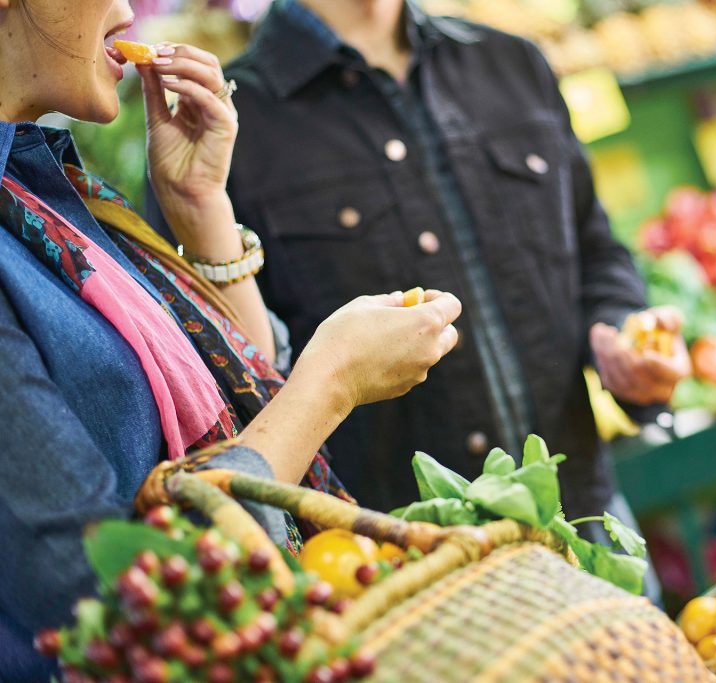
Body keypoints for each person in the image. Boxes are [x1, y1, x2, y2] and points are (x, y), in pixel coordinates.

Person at [0, 1, 461, 679]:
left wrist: (199, 205)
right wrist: (329, 383)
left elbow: (244, 388)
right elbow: (119, 592)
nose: (128, 10)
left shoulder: (40, 189)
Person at [181, 0, 691, 544]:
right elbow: (222, 381)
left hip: (587, 522)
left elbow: (595, 250)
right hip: (399, 565)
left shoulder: (510, 62)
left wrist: (623, 338)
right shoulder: (225, 126)